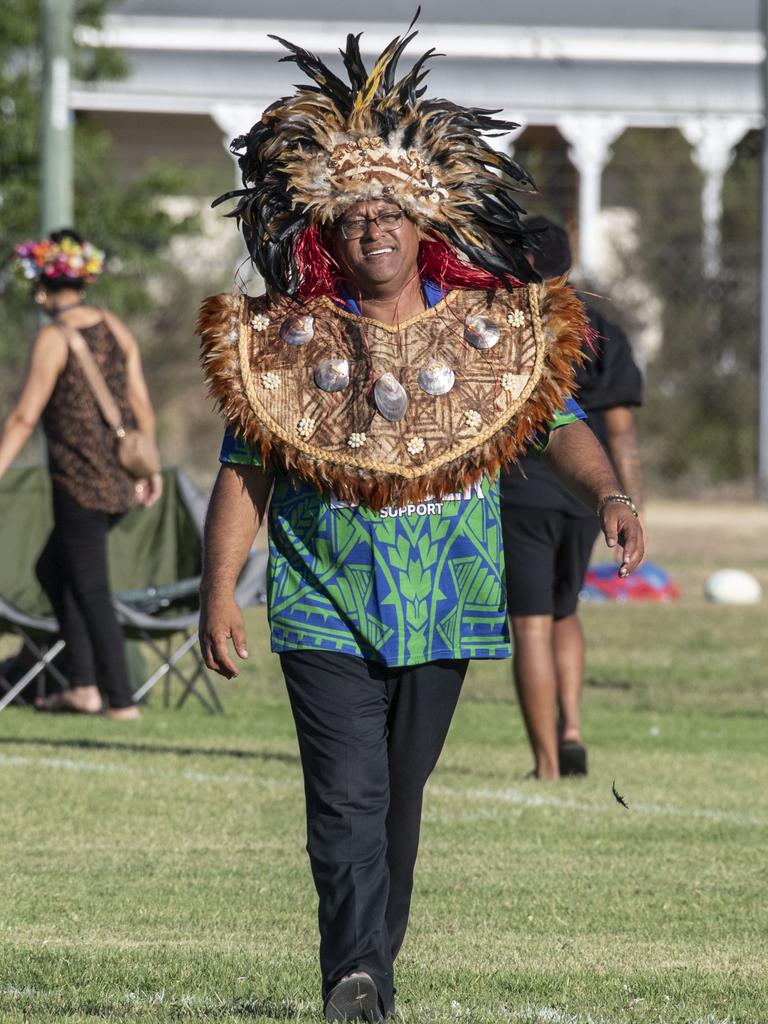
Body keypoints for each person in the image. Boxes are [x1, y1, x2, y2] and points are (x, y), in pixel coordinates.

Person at [197, 22, 644, 1023]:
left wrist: (609, 494)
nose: (375, 231)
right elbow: (243, 474)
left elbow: (561, 428)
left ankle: (370, 965)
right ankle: (356, 975)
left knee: (398, 801)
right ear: (326, 234)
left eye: (392, 214)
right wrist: (219, 589)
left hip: (446, 607)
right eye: (354, 218)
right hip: (320, 604)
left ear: (423, 227)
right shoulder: (289, 345)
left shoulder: (487, 340)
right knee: (346, 800)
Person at [500, 217, 645, 779]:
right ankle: (574, 726)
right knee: (566, 610)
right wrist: (628, 504)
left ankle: (546, 765)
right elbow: (622, 433)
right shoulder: (600, 329)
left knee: (531, 623)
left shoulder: (501, 328)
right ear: (568, 268)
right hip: (590, 496)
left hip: (524, 491)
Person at [0, 229, 162, 719]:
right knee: (54, 570)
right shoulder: (115, 327)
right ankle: (84, 682)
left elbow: (25, 416)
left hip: (78, 481)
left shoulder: (54, 337)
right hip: (117, 479)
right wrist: (147, 466)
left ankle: (116, 698)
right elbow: (140, 405)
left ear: (44, 289)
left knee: (91, 588)